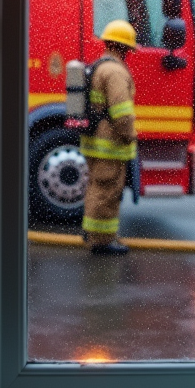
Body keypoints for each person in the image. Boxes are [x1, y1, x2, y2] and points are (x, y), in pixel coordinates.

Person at [79, 20, 138, 255]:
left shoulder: (99, 66)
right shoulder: (115, 72)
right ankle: (102, 241)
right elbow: (122, 113)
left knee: (96, 187)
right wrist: (130, 135)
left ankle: (91, 233)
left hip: (95, 142)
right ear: (123, 47)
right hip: (110, 145)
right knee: (107, 192)